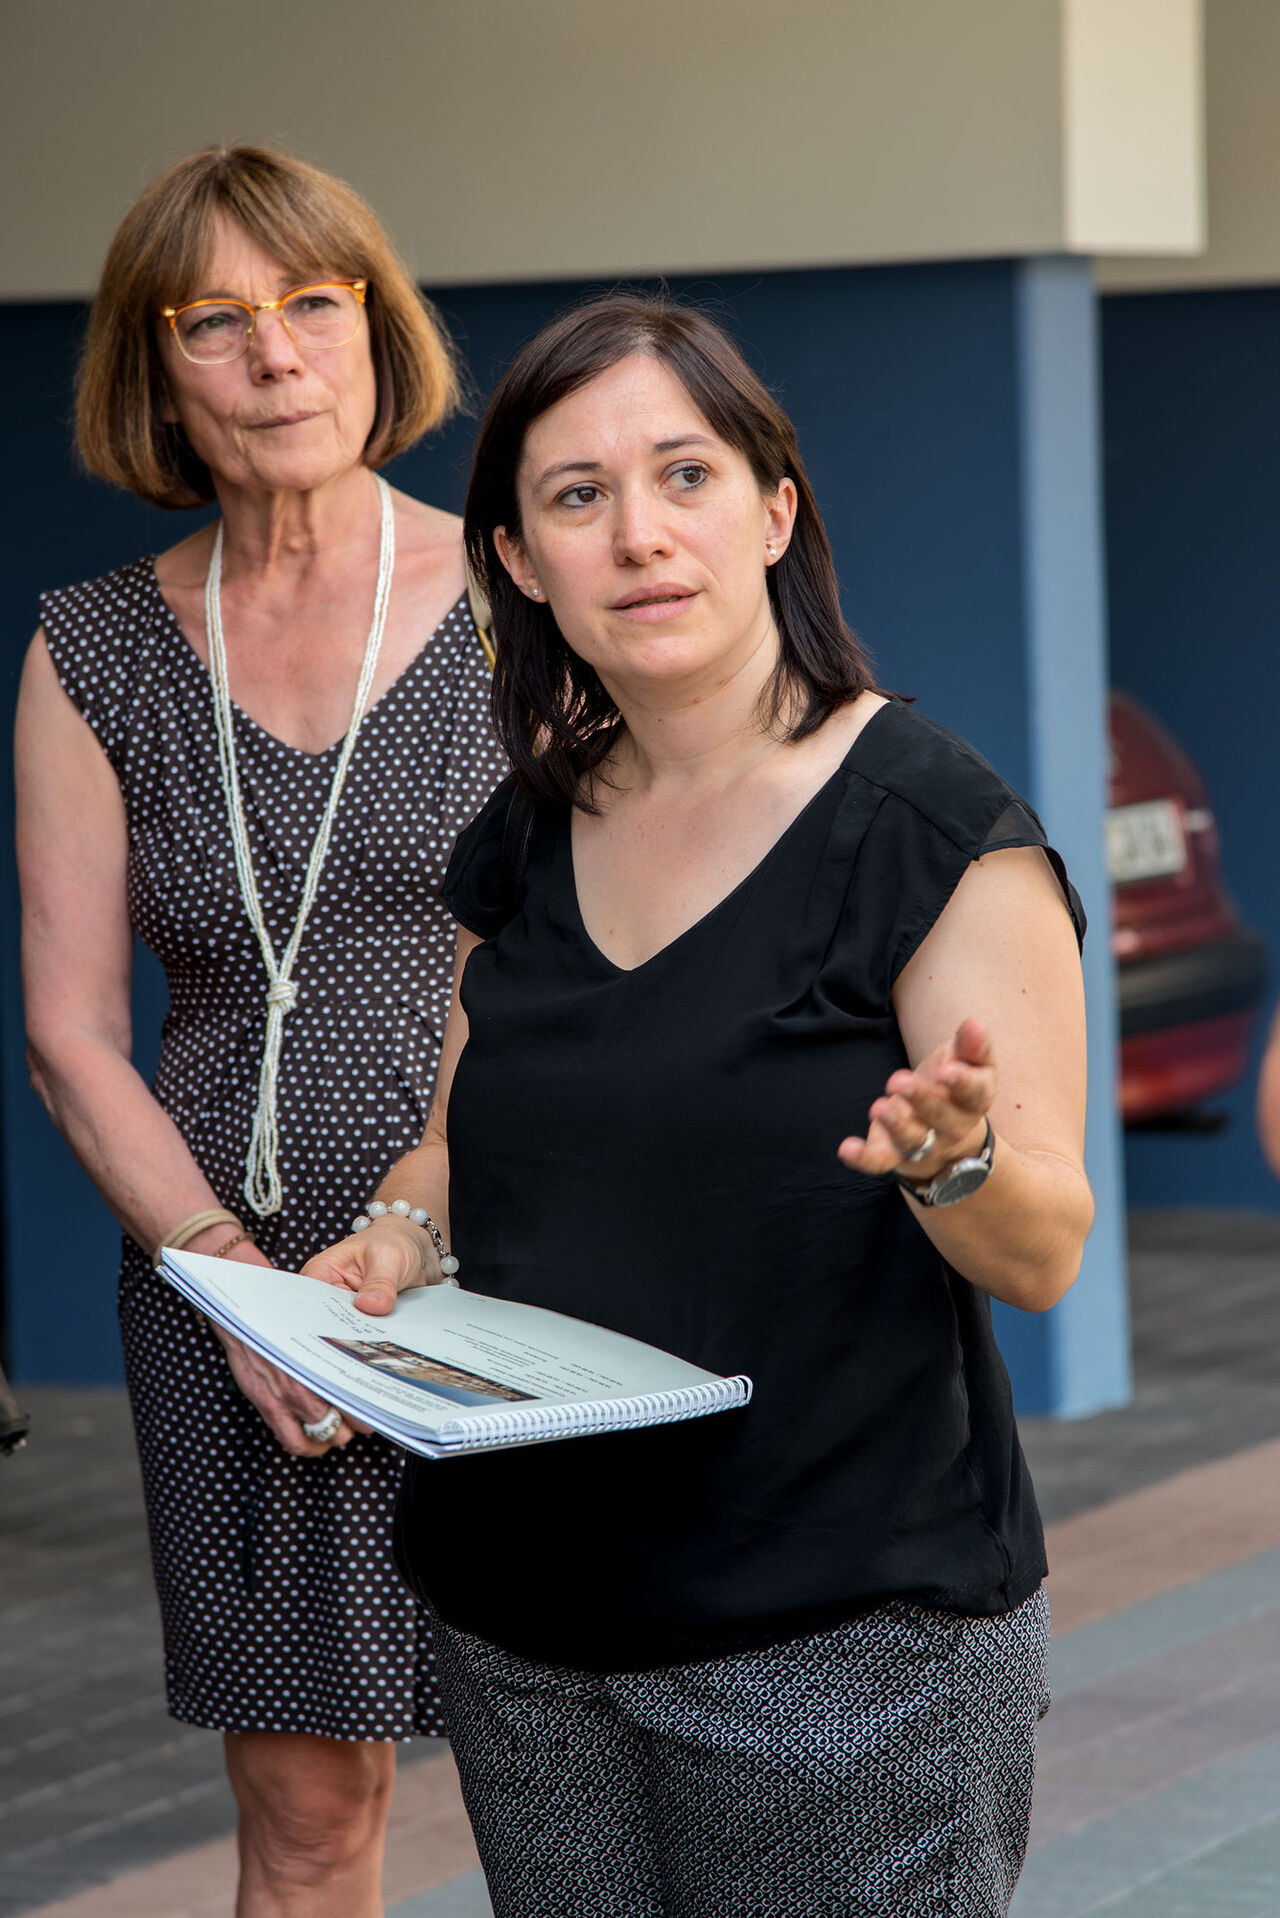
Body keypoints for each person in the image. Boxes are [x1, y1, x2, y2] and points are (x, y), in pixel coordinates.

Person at [305, 295, 1095, 1917]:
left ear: (773, 511)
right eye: (578, 495)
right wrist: (389, 1236)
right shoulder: (525, 835)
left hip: (836, 1646)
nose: (641, 534)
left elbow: (1043, 1252)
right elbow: (464, 1137)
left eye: (686, 475)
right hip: (530, 1626)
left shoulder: (931, 831)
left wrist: (959, 1165)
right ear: (520, 558)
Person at [15, 146, 507, 1918]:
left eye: (314, 303)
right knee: (305, 1815)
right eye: (212, 321)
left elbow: (544, 963)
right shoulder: (86, 649)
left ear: (376, 331)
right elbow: (71, 1030)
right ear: (155, 372)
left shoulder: (526, 598)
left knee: (584, 1767)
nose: (275, 354)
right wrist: (238, 1279)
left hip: (507, 1235)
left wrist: (421, 1207)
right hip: (223, 1270)